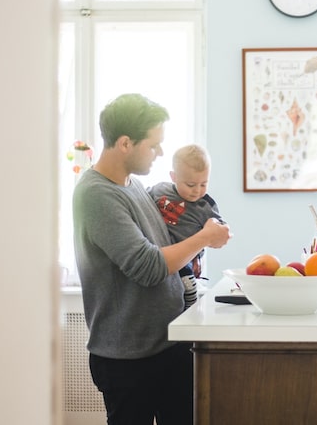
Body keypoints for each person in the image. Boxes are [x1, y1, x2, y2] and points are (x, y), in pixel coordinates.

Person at [73, 93, 232, 425]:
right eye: (154, 145)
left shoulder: (136, 187)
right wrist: (204, 236)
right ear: (126, 143)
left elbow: (167, 249)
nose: (160, 153)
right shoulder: (96, 194)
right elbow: (148, 267)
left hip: (165, 345)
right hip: (128, 358)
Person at [148, 144, 224, 309]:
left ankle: (191, 303)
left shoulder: (205, 206)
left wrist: (220, 232)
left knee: (186, 281)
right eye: (190, 185)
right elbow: (142, 201)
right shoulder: (160, 190)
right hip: (162, 251)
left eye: (203, 184)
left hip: (188, 257)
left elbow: (218, 227)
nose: (197, 190)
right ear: (173, 176)